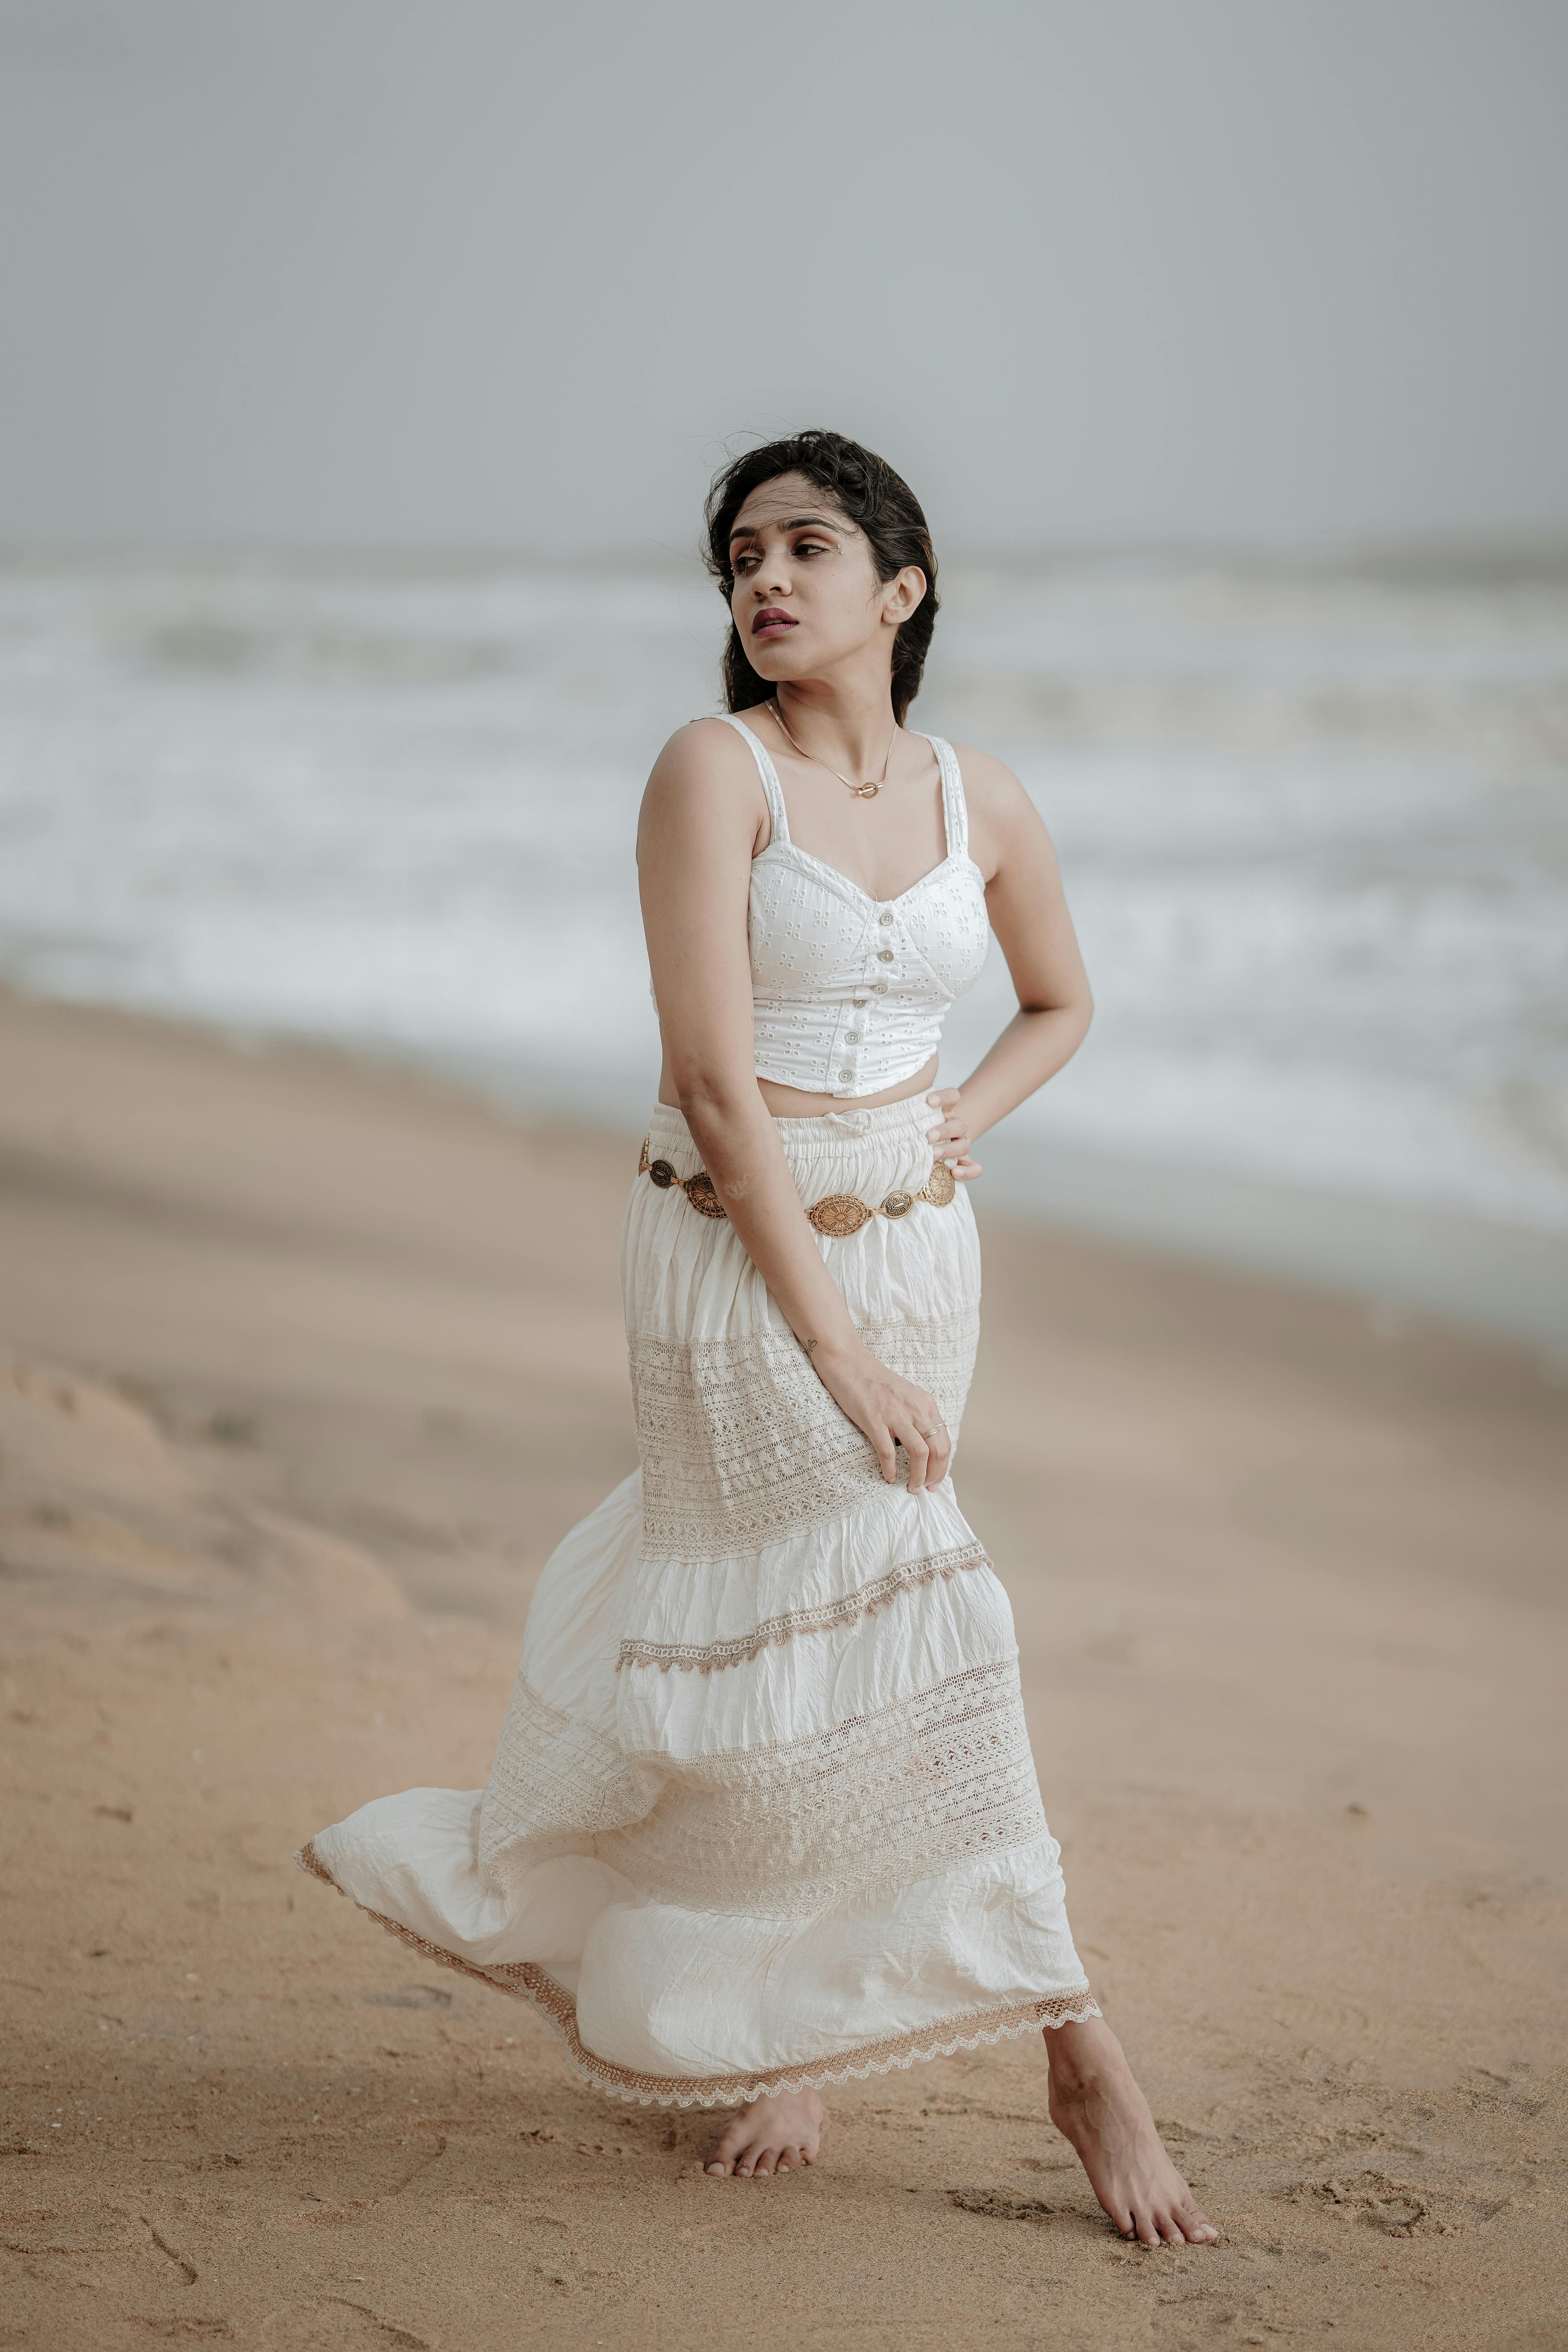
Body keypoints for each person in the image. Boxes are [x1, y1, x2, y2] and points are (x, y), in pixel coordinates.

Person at [299, 430, 1216, 2247]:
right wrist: (838, 1355)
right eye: (740, 560)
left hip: (920, 1254)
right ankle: (1082, 2055)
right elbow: (718, 1089)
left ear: (904, 584)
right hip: (733, 1260)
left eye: (805, 547)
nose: (766, 581)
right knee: (923, 1611)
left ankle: (794, 2025)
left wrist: (958, 1120)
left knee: (839, 1627)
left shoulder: (983, 795)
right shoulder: (711, 770)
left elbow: (1062, 1000)